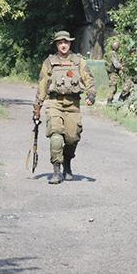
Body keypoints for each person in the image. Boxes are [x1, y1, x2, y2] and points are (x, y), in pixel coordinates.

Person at [33, 30, 96, 184]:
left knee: (72, 138)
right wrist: (38, 106)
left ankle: (67, 163)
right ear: (56, 44)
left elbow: (89, 79)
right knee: (55, 135)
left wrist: (91, 95)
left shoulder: (78, 61)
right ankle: (56, 170)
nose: (63, 45)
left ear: (70, 43)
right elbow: (42, 84)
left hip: (73, 105)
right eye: (60, 42)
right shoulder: (49, 62)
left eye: (66, 42)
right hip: (55, 103)